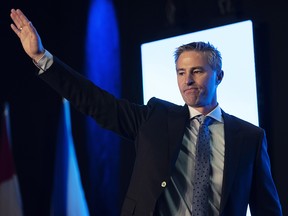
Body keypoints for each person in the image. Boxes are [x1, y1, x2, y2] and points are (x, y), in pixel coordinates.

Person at [10, 8, 282, 216]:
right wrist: (41, 57)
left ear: (219, 76)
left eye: (197, 71)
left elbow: (267, 209)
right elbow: (95, 101)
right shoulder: (154, 118)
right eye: (181, 72)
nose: (187, 80)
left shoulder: (250, 137)